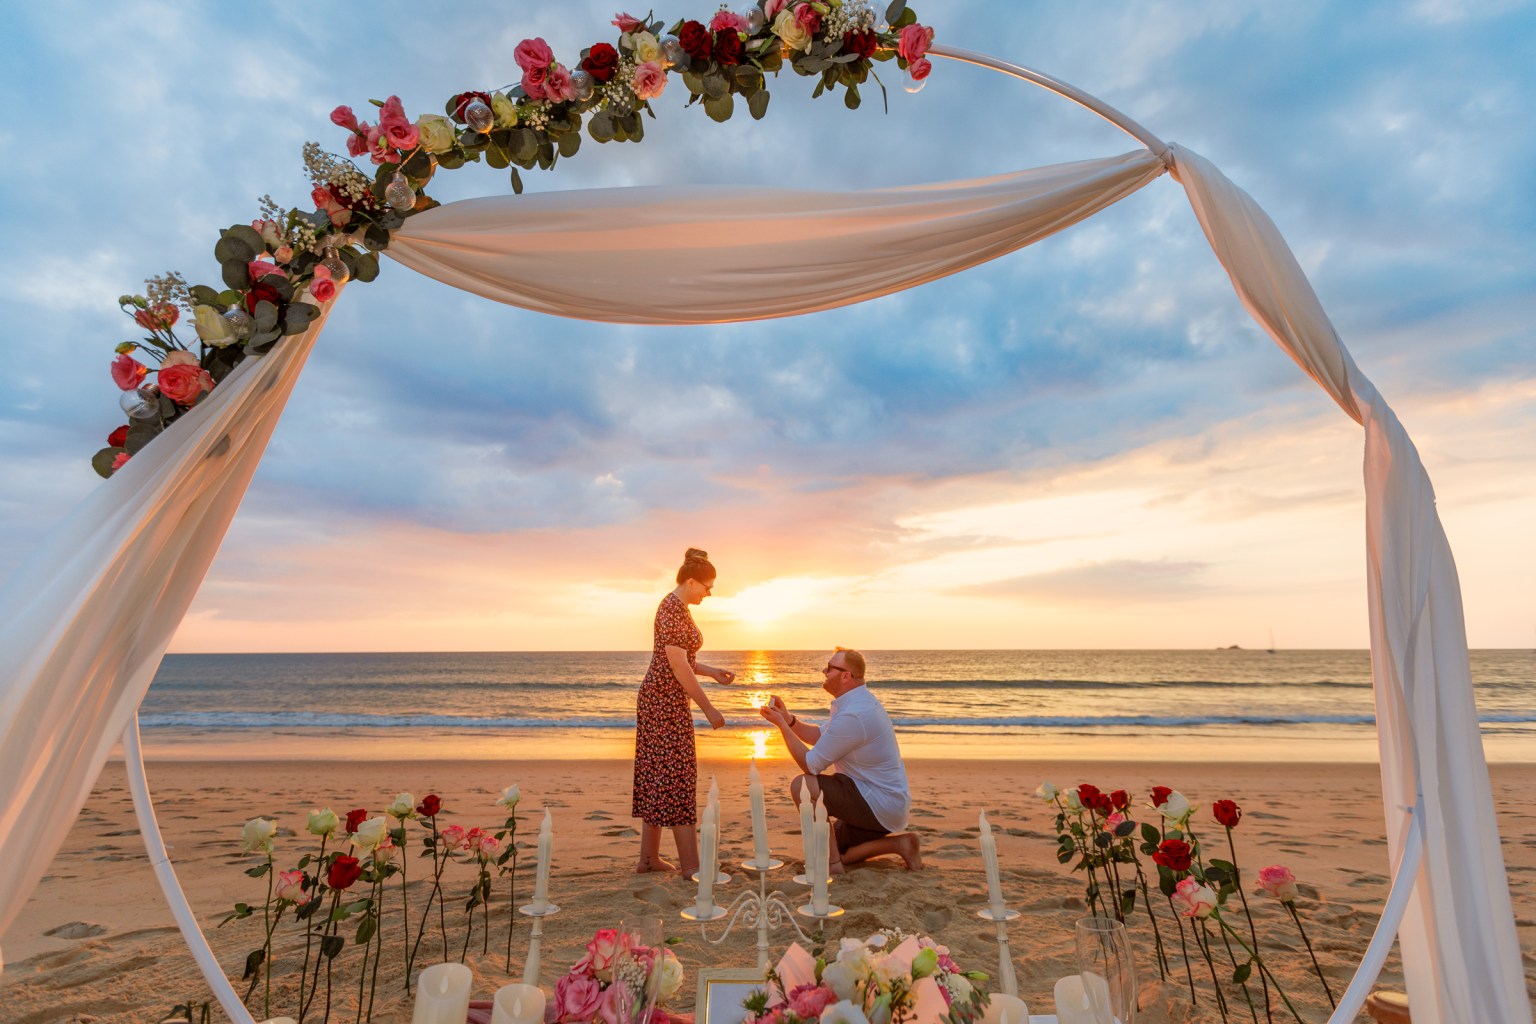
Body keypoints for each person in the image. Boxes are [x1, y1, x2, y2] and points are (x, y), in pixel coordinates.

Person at [759, 647, 921, 872]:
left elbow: (810, 765)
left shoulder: (855, 714)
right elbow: (820, 737)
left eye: (829, 668)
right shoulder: (854, 703)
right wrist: (789, 719)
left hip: (878, 802)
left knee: (802, 786)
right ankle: (901, 844)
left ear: (845, 676)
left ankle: (832, 865)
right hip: (879, 800)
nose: (824, 672)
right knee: (835, 846)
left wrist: (781, 726)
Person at [631, 547, 736, 874]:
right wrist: (709, 708)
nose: (709, 593)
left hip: (665, 699)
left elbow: (682, 660)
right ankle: (691, 867)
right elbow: (677, 667)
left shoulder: (678, 608)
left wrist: (712, 671)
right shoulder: (671, 610)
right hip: (662, 703)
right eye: (707, 587)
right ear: (691, 581)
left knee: (660, 774)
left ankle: (649, 859)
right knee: (677, 776)